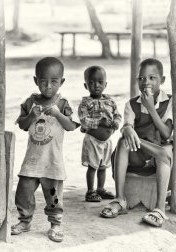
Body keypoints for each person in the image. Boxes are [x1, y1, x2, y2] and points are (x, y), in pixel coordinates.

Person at [11, 57, 79, 242]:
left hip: (52, 162)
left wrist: (57, 113)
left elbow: (71, 126)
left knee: (53, 196)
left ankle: (55, 224)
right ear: (36, 81)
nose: (48, 86)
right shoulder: (29, 102)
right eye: (43, 81)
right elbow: (23, 126)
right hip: (31, 161)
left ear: (61, 82)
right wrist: (31, 116)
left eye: (54, 81)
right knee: (23, 193)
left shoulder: (64, 103)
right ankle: (24, 221)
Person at [99, 58, 173, 227]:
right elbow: (127, 127)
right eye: (141, 78)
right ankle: (120, 200)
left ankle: (159, 209)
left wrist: (152, 108)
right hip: (138, 152)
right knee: (123, 142)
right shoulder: (131, 105)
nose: (146, 82)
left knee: (165, 151)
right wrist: (127, 129)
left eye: (152, 78)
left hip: (159, 154)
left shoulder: (170, 102)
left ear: (162, 81)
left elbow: (167, 133)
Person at [78, 66, 122, 202]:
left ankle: (100, 189)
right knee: (93, 166)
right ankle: (90, 191)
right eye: (91, 83)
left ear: (105, 84)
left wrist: (115, 123)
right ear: (86, 85)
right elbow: (84, 121)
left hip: (107, 142)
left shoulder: (110, 101)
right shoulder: (85, 103)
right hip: (93, 140)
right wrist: (99, 122)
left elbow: (117, 115)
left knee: (103, 167)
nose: (96, 85)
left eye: (99, 82)